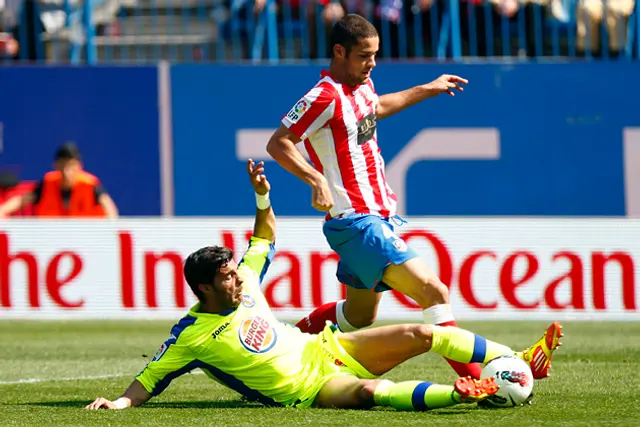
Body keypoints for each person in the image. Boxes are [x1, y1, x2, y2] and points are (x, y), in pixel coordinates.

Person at [86, 160, 563, 412]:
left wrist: (261, 193)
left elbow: (264, 234)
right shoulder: (190, 334)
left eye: (234, 270)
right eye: (227, 276)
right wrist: (121, 401)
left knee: (421, 334)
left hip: (326, 348)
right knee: (371, 394)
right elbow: (151, 378)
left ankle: (520, 361)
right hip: (308, 388)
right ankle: (461, 395)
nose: (237, 277)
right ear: (204, 290)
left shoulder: (247, 280)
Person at [265, 13, 494, 381]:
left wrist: (426, 88)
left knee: (359, 316)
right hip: (358, 220)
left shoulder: (362, 87)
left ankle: (281, 348)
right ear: (339, 52)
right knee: (433, 291)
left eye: (375, 55)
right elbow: (279, 143)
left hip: (375, 218)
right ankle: (480, 382)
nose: (371, 63)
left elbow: (377, 108)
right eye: (363, 56)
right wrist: (315, 179)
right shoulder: (323, 96)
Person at [0, 142, 118, 218]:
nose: (67, 171)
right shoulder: (47, 183)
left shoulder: (90, 185)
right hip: (53, 241)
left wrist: (110, 229)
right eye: (63, 165)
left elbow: (108, 206)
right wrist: (2, 211)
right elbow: (21, 200)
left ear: (79, 166)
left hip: (86, 241)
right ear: (56, 165)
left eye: (71, 165)